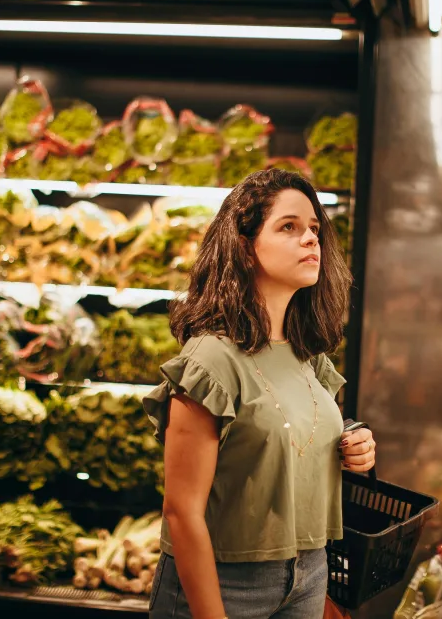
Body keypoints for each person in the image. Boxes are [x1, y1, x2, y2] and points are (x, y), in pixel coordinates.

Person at [144, 169, 377, 619]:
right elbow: (182, 512)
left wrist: (353, 440)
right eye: (288, 227)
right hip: (225, 582)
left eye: (314, 229)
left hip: (309, 571)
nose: (311, 239)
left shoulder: (307, 353)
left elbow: (289, 426)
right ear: (244, 248)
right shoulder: (210, 361)